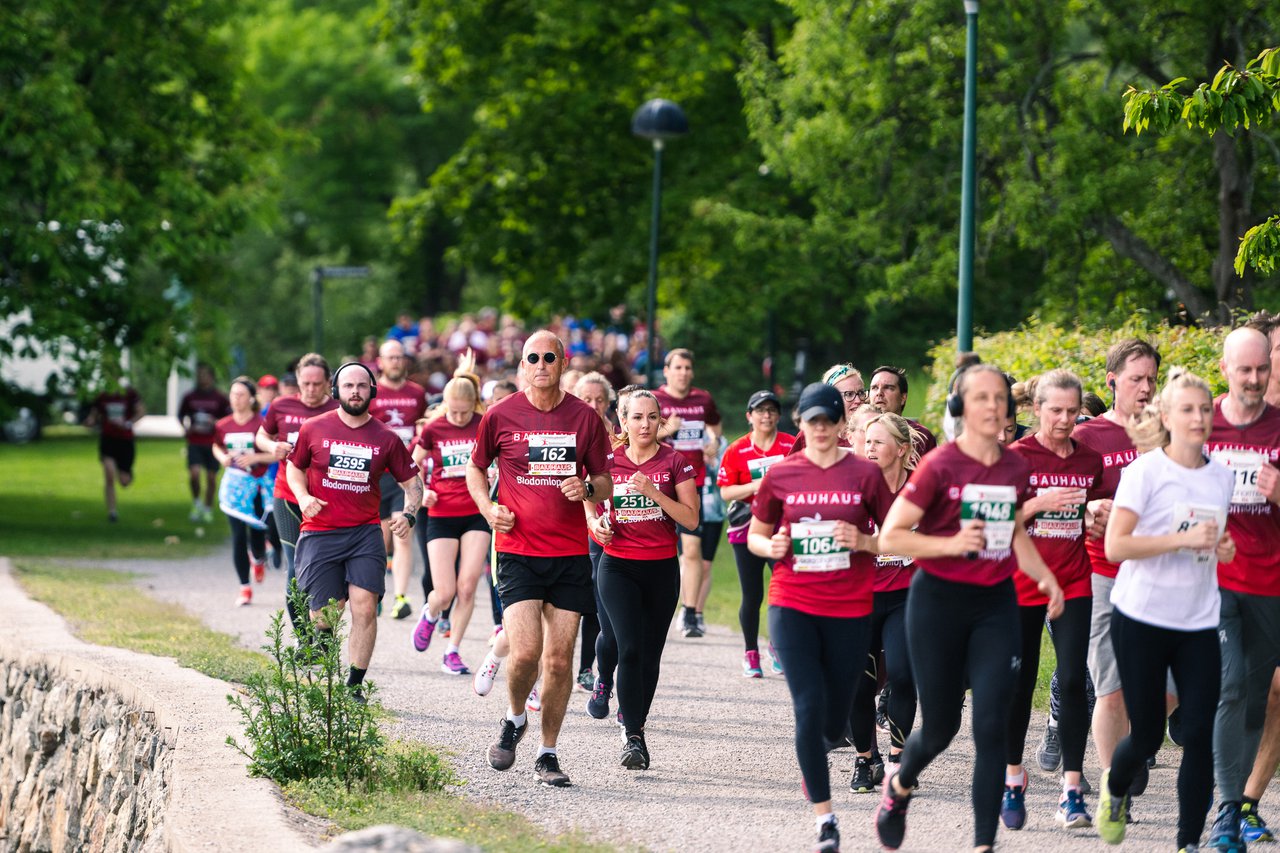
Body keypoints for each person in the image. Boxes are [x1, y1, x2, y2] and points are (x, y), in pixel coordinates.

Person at [875, 364, 1064, 853]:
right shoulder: (940, 465)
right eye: (981, 398)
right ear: (961, 407)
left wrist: (1043, 576)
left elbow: (1014, 530)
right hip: (937, 606)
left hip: (995, 606)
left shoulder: (1015, 466)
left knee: (991, 730)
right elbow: (892, 536)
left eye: (999, 398)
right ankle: (899, 788)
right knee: (940, 728)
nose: (992, 406)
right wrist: (952, 542)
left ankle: (983, 844)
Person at [748, 382, 893, 853]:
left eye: (830, 421)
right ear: (802, 423)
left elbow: (896, 533)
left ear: (841, 425)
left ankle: (833, 736)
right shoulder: (782, 475)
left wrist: (866, 541)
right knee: (808, 710)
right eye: (813, 422)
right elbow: (756, 534)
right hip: (793, 603)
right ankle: (825, 820)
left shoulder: (865, 475)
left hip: (850, 608)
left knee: (835, 722)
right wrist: (771, 547)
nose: (822, 430)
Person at [1095, 369, 1236, 851]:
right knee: (1149, 735)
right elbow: (1115, 546)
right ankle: (1115, 788)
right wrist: (1181, 539)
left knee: (1199, 734)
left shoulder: (1220, 476)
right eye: (1187, 409)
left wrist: (1224, 547)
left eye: (1204, 409)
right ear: (1167, 417)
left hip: (1198, 621)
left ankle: (1187, 842)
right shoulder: (1146, 472)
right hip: (1141, 619)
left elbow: (1211, 536)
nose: (1198, 418)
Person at [466, 330, 613, 788]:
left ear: (563, 362)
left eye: (551, 356)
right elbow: (475, 467)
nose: (542, 364)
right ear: (523, 366)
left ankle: (548, 753)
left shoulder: (584, 417)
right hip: (518, 551)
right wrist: (488, 509)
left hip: (570, 554)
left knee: (558, 660)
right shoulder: (500, 415)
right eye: (534, 357)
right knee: (526, 652)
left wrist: (587, 489)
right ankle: (513, 718)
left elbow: (606, 480)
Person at [1058, 339, 1160, 806]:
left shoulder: (1168, 433)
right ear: (1112, 381)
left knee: (1170, 689)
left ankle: (1135, 747)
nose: (1144, 388)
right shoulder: (1089, 437)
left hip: (1161, 573)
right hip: (1104, 574)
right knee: (1111, 687)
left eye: (1151, 380)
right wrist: (1087, 507)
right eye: (1136, 378)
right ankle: (1110, 790)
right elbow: (1058, 505)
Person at [1002, 370, 1104, 830]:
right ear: (1036, 409)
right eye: (1055, 410)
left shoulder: (1090, 461)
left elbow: (1094, 514)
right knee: (1019, 685)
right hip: (1022, 583)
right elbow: (998, 522)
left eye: (1071, 411)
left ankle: (1072, 789)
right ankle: (1012, 777)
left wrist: (1097, 518)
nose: (1064, 419)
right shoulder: (1016, 457)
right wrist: (1037, 505)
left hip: (1073, 581)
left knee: (1073, 680)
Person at [287, 363, 422, 703]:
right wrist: (303, 497)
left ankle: (354, 685)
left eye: (362, 385)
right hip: (320, 531)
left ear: (372, 391)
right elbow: (294, 468)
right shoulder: (313, 428)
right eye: (348, 386)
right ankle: (322, 640)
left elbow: (412, 483)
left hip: (364, 533)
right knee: (325, 614)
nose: (356, 391)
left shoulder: (386, 437)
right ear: (337, 391)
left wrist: (409, 514)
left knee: (364, 608)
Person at [587, 389, 698, 769]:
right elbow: (590, 494)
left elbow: (691, 519)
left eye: (652, 417)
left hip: (661, 568)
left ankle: (636, 721)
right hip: (618, 566)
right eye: (637, 417)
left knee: (650, 657)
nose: (645, 424)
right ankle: (633, 736)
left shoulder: (675, 462)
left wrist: (654, 493)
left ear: (660, 420)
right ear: (624, 422)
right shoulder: (609, 461)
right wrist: (595, 522)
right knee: (629, 647)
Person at [1201, 327, 1280, 849]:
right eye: (1244, 370)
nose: (1253, 380)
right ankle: (1227, 810)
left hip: (1270, 583)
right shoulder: (1200, 424)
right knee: (1229, 687)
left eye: (1262, 370)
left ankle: (1240, 801)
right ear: (1225, 369)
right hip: (1215, 580)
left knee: (1254, 697)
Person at [848, 412, 922, 793]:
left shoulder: (919, 489)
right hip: (860, 596)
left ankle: (896, 761)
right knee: (859, 685)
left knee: (905, 676)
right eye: (866, 441)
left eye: (878, 442)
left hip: (906, 595)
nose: (869, 447)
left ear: (902, 449)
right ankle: (864, 759)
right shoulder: (855, 486)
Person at [411, 377, 491, 675]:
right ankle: (431, 613)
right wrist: (422, 492)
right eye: (453, 412)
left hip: (476, 513)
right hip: (441, 513)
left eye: (464, 412)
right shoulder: (435, 428)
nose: (458, 418)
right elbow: (410, 467)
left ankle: (452, 651)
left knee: (467, 587)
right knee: (444, 592)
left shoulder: (484, 424)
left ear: (474, 405)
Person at [256, 354, 339, 628]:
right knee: (295, 570)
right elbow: (262, 435)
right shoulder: (280, 406)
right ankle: (304, 638)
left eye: (318, 384)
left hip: (327, 500)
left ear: (328, 382)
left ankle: (324, 634)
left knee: (326, 571)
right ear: (298, 381)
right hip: (288, 496)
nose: (312, 390)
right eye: (306, 383)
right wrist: (271, 448)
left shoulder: (339, 409)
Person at [718, 390, 795, 676]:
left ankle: (777, 646)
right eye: (760, 410)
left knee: (784, 589)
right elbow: (726, 491)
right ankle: (751, 652)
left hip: (783, 527)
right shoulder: (737, 449)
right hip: (746, 527)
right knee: (752, 595)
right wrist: (757, 486)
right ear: (749, 416)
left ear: (778, 415)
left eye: (772, 410)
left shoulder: (790, 444)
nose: (766, 415)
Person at [652, 348, 722, 639]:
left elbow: (715, 424)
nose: (683, 372)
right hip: (658, 484)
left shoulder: (702, 399)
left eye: (687, 368)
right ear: (666, 371)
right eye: (677, 367)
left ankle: (691, 612)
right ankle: (654, 607)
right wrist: (665, 432)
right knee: (658, 551)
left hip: (692, 484)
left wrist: (714, 441)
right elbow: (634, 436)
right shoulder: (655, 399)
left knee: (692, 550)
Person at [370, 339, 429, 620]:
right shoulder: (372, 392)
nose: (395, 362)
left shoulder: (417, 394)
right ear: (380, 361)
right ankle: (376, 592)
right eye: (389, 357)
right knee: (380, 539)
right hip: (377, 474)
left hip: (406, 474)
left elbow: (424, 431)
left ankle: (401, 597)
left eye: (399, 357)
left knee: (403, 533)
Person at [213, 377, 276, 606]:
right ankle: (244, 587)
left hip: (258, 485)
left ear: (251, 398)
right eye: (233, 394)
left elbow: (276, 453)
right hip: (234, 487)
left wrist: (256, 457)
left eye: (240, 394)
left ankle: (258, 558)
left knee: (256, 533)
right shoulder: (223, 425)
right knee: (238, 537)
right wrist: (222, 458)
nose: (236, 399)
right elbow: (217, 445)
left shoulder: (263, 423)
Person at [570, 372, 616, 691]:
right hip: (576, 525)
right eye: (586, 399)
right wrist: (589, 517)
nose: (594, 405)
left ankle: (595, 670)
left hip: (609, 526)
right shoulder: (569, 434)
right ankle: (577, 666)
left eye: (600, 400)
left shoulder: (619, 435)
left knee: (602, 602)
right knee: (582, 601)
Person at [86, 377, 145, 522]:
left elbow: (141, 411)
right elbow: (93, 415)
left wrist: (127, 423)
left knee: (124, 482)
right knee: (109, 475)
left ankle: (124, 471)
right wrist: (90, 421)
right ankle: (112, 512)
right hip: (108, 439)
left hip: (125, 440)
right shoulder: (102, 396)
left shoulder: (130, 394)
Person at [178, 362, 231, 523]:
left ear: (212, 377)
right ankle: (196, 503)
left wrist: (214, 421)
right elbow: (180, 415)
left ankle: (208, 508)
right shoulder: (190, 396)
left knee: (211, 477)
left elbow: (228, 419)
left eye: (205, 375)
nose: (202, 378)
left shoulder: (220, 397)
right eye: (200, 375)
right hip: (195, 440)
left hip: (212, 443)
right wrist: (186, 428)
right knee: (194, 474)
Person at [788, 363, 864, 455]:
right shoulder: (808, 434)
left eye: (860, 393)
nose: (858, 400)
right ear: (832, 399)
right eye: (849, 394)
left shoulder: (874, 431)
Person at [867, 365, 937, 456]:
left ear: (903, 398)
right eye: (874, 388)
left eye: (888, 387)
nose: (879, 393)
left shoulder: (922, 437)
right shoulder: (857, 432)